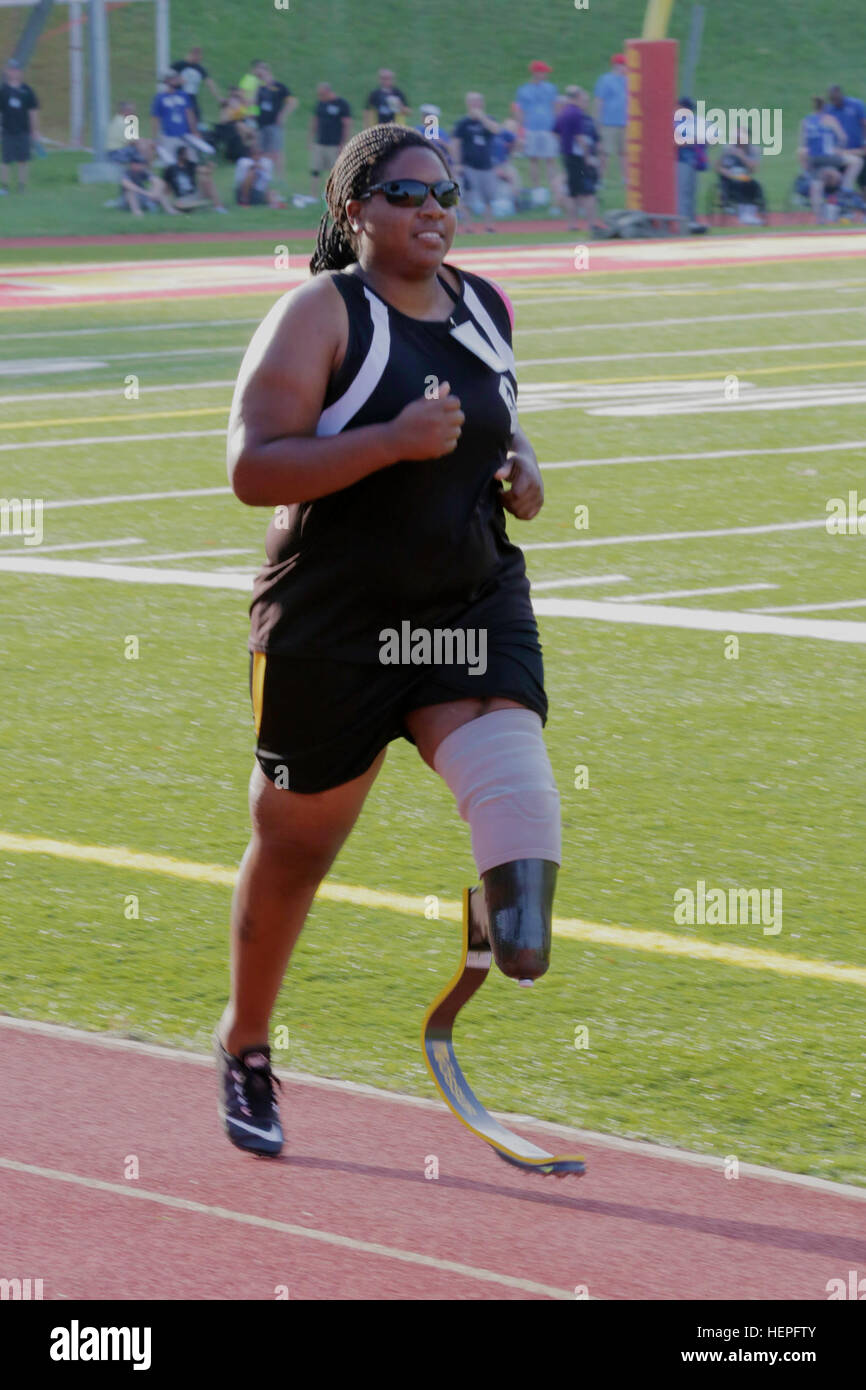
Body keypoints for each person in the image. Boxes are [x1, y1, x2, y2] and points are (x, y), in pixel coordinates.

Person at [218, 124, 556, 1156]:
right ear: (353, 210)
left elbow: (497, 421)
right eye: (407, 192)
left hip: (466, 596)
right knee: (297, 846)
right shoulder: (318, 314)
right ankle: (244, 1043)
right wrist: (388, 444)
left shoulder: (485, 305)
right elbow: (253, 467)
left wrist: (522, 469)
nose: (433, 208)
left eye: (445, 191)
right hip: (334, 622)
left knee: (512, 772)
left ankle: (514, 926)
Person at [798, 97, 861, 221]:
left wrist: (805, 166)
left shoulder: (806, 121)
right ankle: (846, 187)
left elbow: (802, 146)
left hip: (814, 159)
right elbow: (843, 138)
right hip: (828, 156)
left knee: (817, 185)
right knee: (856, 162)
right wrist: (838, 147)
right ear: (825, 108)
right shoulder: (830, 119)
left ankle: (819, 218)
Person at [452, 91, 502, 232]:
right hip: (469, 165)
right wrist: (457, 163)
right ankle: (468, 226)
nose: (475, 105)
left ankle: (489, 226)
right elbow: (455, 143)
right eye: (472, 102)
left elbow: (496, 130)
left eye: (477, 102)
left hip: (487, 165)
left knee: (488, 198)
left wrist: (482, 118)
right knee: (467, 197)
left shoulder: (489, 120)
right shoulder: (463, 123)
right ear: (468, 104)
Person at [513, 60, 558, 193]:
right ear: (536, 73)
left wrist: (556, 126)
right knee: (533, 159)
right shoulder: (524, 90)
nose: (546, 75)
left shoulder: (551, 88)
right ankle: (536, 189)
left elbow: (555, 107)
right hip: (532, 128)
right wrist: (521, 130)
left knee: (550, 159)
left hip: (548, 127)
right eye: (543, 72)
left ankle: (554, 189)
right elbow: (520, 111)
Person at [0, 58, 39, 194]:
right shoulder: (3, 90)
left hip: (23, 131)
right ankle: (4, 187)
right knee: (6, 160)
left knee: (23, 160)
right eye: (11, 70)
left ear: (20, 72)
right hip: (7, 131)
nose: (14, 72)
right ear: (7, 72)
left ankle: (22, 187)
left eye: (16, 70)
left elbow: (33, 111)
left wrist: (34, 130)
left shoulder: (27, 90)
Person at [552, 85, 588, 230]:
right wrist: (587, 153)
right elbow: (579, 137)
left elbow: (555, 132)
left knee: (572, 188)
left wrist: (564, 142)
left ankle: (572, 222)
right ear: (578, 97)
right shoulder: (577, 113)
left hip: (566, 153)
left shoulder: (563, 113)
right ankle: (573, 223)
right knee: (576, 191)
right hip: (576, 155)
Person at [310, 81, 352, 196]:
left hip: (334, 144)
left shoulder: (342, 104)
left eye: (322, 94)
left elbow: (347, 124)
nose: (320, 97)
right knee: (315, 169)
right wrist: (311, 139)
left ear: (328, 92)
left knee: (333, 171)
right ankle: (313, 194)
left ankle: (332, 194)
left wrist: (343, 142)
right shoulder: (320, 104)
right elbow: (315, 121)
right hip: (320, 143)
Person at [115, 138, 178, 216]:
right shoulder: (126, 173)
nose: (139, 166)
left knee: (160, 191)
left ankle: (170, 210)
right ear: (132, 164)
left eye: (140, 164)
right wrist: (146, 193)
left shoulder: (143, 172)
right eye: (137, 163)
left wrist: (155, 192)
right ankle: (137, 212)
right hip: (126, 201)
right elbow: (128, 185)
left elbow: (158, 182)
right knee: (130, 192)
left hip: (142, 197)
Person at [716, 124, 764, 224]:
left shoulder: (753, 149)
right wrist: (726, 172)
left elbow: (753, 169)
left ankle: (749, 214)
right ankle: (741, 212)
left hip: (744, 177)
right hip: (729, 177)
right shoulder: (727, 148)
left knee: (753, 184)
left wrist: (742, 156)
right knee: (739, 183)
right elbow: (718, 167)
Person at [593, 52, 628, 187]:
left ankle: (626, 178)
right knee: (604, 153)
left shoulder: (628, 80)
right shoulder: (605, 79)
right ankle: (600, 179)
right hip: (608, 122)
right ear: (615, 65)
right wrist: (597, 120)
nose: (624, 67)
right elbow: (599, 100)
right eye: (622, 64)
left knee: (624, 153)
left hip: (624, 122)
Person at [674, 95, 708, 233]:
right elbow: (675, 141)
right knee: (682, 193)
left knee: (691, 193)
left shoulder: (693, 122)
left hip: (693, 161)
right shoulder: (674, 122)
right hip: (680, 161)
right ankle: (683, 222)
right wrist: (694, 140)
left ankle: (691, 221)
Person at [823, 85, 866, 192]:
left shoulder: (856, 105)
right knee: (833, 177)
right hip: (839, 151)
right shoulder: (828, 110)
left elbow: (864, 124)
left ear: (841, 94)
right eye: (832, 99)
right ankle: (841, 194)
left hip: (857, 149)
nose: (835, 101)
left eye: (836, 98)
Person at [256, 63, 295, 179]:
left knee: (276, 151)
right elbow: (255, 105)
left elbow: (292, 102)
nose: (260, 77)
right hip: (261, 124)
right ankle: (266, 176)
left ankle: (280, 177)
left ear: (267, 72)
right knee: (262, 151)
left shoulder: (279, 87)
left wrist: (283, 115)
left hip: (274, 124)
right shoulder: (260, 89)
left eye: (261, 74)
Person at [163, 143, 226, 211]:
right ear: (180, 155)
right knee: (205, 180)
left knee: (205, 180)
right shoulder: (170, 169)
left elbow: (205, 171)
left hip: (194, 194)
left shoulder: (190, 165)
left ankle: (218, 206)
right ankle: (218, 206)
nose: (188, 155)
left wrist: (210, 166)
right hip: (182, 198)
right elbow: (167, 188)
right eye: (186, 154)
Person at [170, 45, 221, 122]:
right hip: (179, 95)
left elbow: (210, 83)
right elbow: (167, 77)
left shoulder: (199, 68)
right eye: (198, 57)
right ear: (193, 55)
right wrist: (177, 80)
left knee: (196, 117)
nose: (200, 59)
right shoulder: (179, 64)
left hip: (192, 97)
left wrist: (218, 98)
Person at [234, 138, 286, 207]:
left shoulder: (266, 162)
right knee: (252, 173)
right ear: (250, 154)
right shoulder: (243, 161)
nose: (257, 156)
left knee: (272, 192)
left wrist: (262, 169)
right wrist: (258, 167)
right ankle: (245, 201)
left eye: (259, 153)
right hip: (242, 192)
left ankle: (274, 204)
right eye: (255, 153)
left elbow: (266, 181)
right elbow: (242, 179)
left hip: (257, 192)